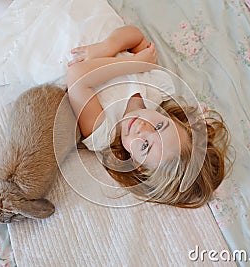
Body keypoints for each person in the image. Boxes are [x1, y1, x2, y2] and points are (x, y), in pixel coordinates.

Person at [67, 26, 231, 208]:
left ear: (137, 163)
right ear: (174, 120)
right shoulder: (157, 89)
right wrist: (107, 47)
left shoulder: (103, 131)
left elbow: (77, 76)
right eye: (160, 126)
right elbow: (136, 37)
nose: (143, 127)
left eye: (145, 146)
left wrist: (138, 63)